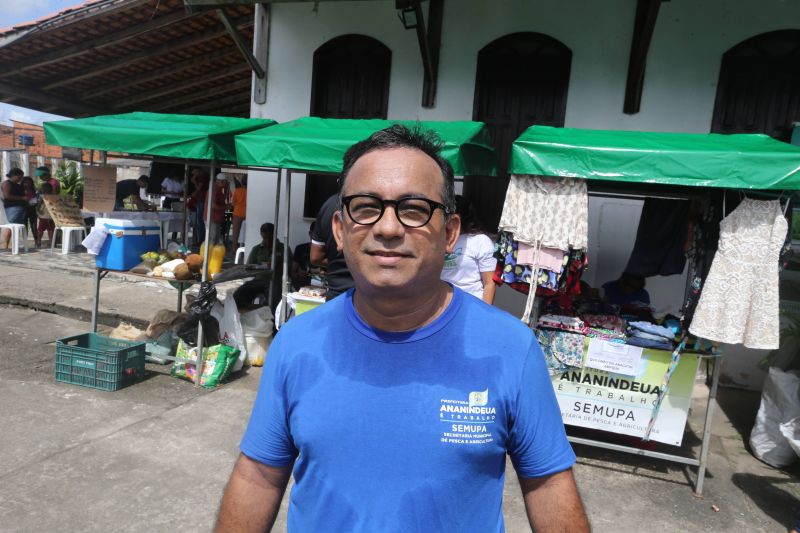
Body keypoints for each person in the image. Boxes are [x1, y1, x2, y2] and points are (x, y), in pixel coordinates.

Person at [216, 125, 589, 532]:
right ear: (340, 230)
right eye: (365, 206)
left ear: (450, 234)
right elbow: (258, 475)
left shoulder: (509, 348)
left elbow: (548, 484)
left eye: (413, 209)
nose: (388, 228)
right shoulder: (298, 342)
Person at [441, 195, 497, 303]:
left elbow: (490, 283)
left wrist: (485, 313)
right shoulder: (438, 239)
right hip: (442, 305)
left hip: (471, 303)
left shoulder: (481, 241)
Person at [233, 222, 291, 312]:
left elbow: (289, 268)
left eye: (270, 238)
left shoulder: (284, 248)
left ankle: (272, 320)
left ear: (274, 234)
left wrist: (277, 263)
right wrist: (263, 266)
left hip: (277, 281)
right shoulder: (256, 249)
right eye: (265, 238)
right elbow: (248, 267)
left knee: (273, 298)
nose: (267, 241)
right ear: (261, 235)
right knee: (239, 293)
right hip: (260, 280)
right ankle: (245, 315)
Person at [311, 193, 353, 299]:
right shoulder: (379, 198)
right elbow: (315, 257)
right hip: (370, 298)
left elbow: (316, 258)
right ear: (339, 231)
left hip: (336, 294)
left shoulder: (329, 204)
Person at [2, 168, 27, 250]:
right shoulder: (7, 183)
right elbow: (7, 196)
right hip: (12, 208)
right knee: (10, 226)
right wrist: (22, 198)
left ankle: (14, 245)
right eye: (20, 177)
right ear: (14, 175)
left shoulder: (18, 185)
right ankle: (5, 245)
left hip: (20, 208)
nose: (21, 179)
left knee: (17, 228)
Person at [290, 221, 314, 291]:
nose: (318, 237)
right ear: (310, 234)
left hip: (322, 285)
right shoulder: (301, 248)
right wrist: (298, 274)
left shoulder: (329, 250)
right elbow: (292, 272)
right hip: (303, 285)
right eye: (315, 234)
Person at [210, 173, 231, 244]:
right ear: (221, 182)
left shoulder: (219, 189)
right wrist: (226, 207)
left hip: (216, 218)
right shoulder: (214, 190)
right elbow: (213, 206)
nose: (226, 184)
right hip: (212, 218)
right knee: (212, 240)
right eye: (225, 182)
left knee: (215, 239)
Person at [20, 176, 39, 247]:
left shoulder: (34, 190)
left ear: (31, 183)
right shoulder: (20, 190)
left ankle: (36, 241)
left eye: (29, 183)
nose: (27, 184)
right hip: (23, 209)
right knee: (25, 227)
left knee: (34, 226)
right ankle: (25, 242)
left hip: (32, 209)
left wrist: (36, 201)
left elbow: (37, 199)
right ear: (23, 183)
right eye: (25, 182)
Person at [230, 175, 247, 252]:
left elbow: (233, 204)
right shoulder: (251, 190)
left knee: (235, 233)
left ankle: (234, 249)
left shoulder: (237, 190)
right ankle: (245, 248)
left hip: (237, 213)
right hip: (247, 214)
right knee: (246, 233)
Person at [36, 182, 55, 246]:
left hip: (43, 216)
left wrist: (37, 211)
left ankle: (39, 241)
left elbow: (39, 205)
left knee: (40, 230)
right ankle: (51, 241)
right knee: (51, 230)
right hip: (51, 216)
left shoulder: (42, 196)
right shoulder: (54, 196)